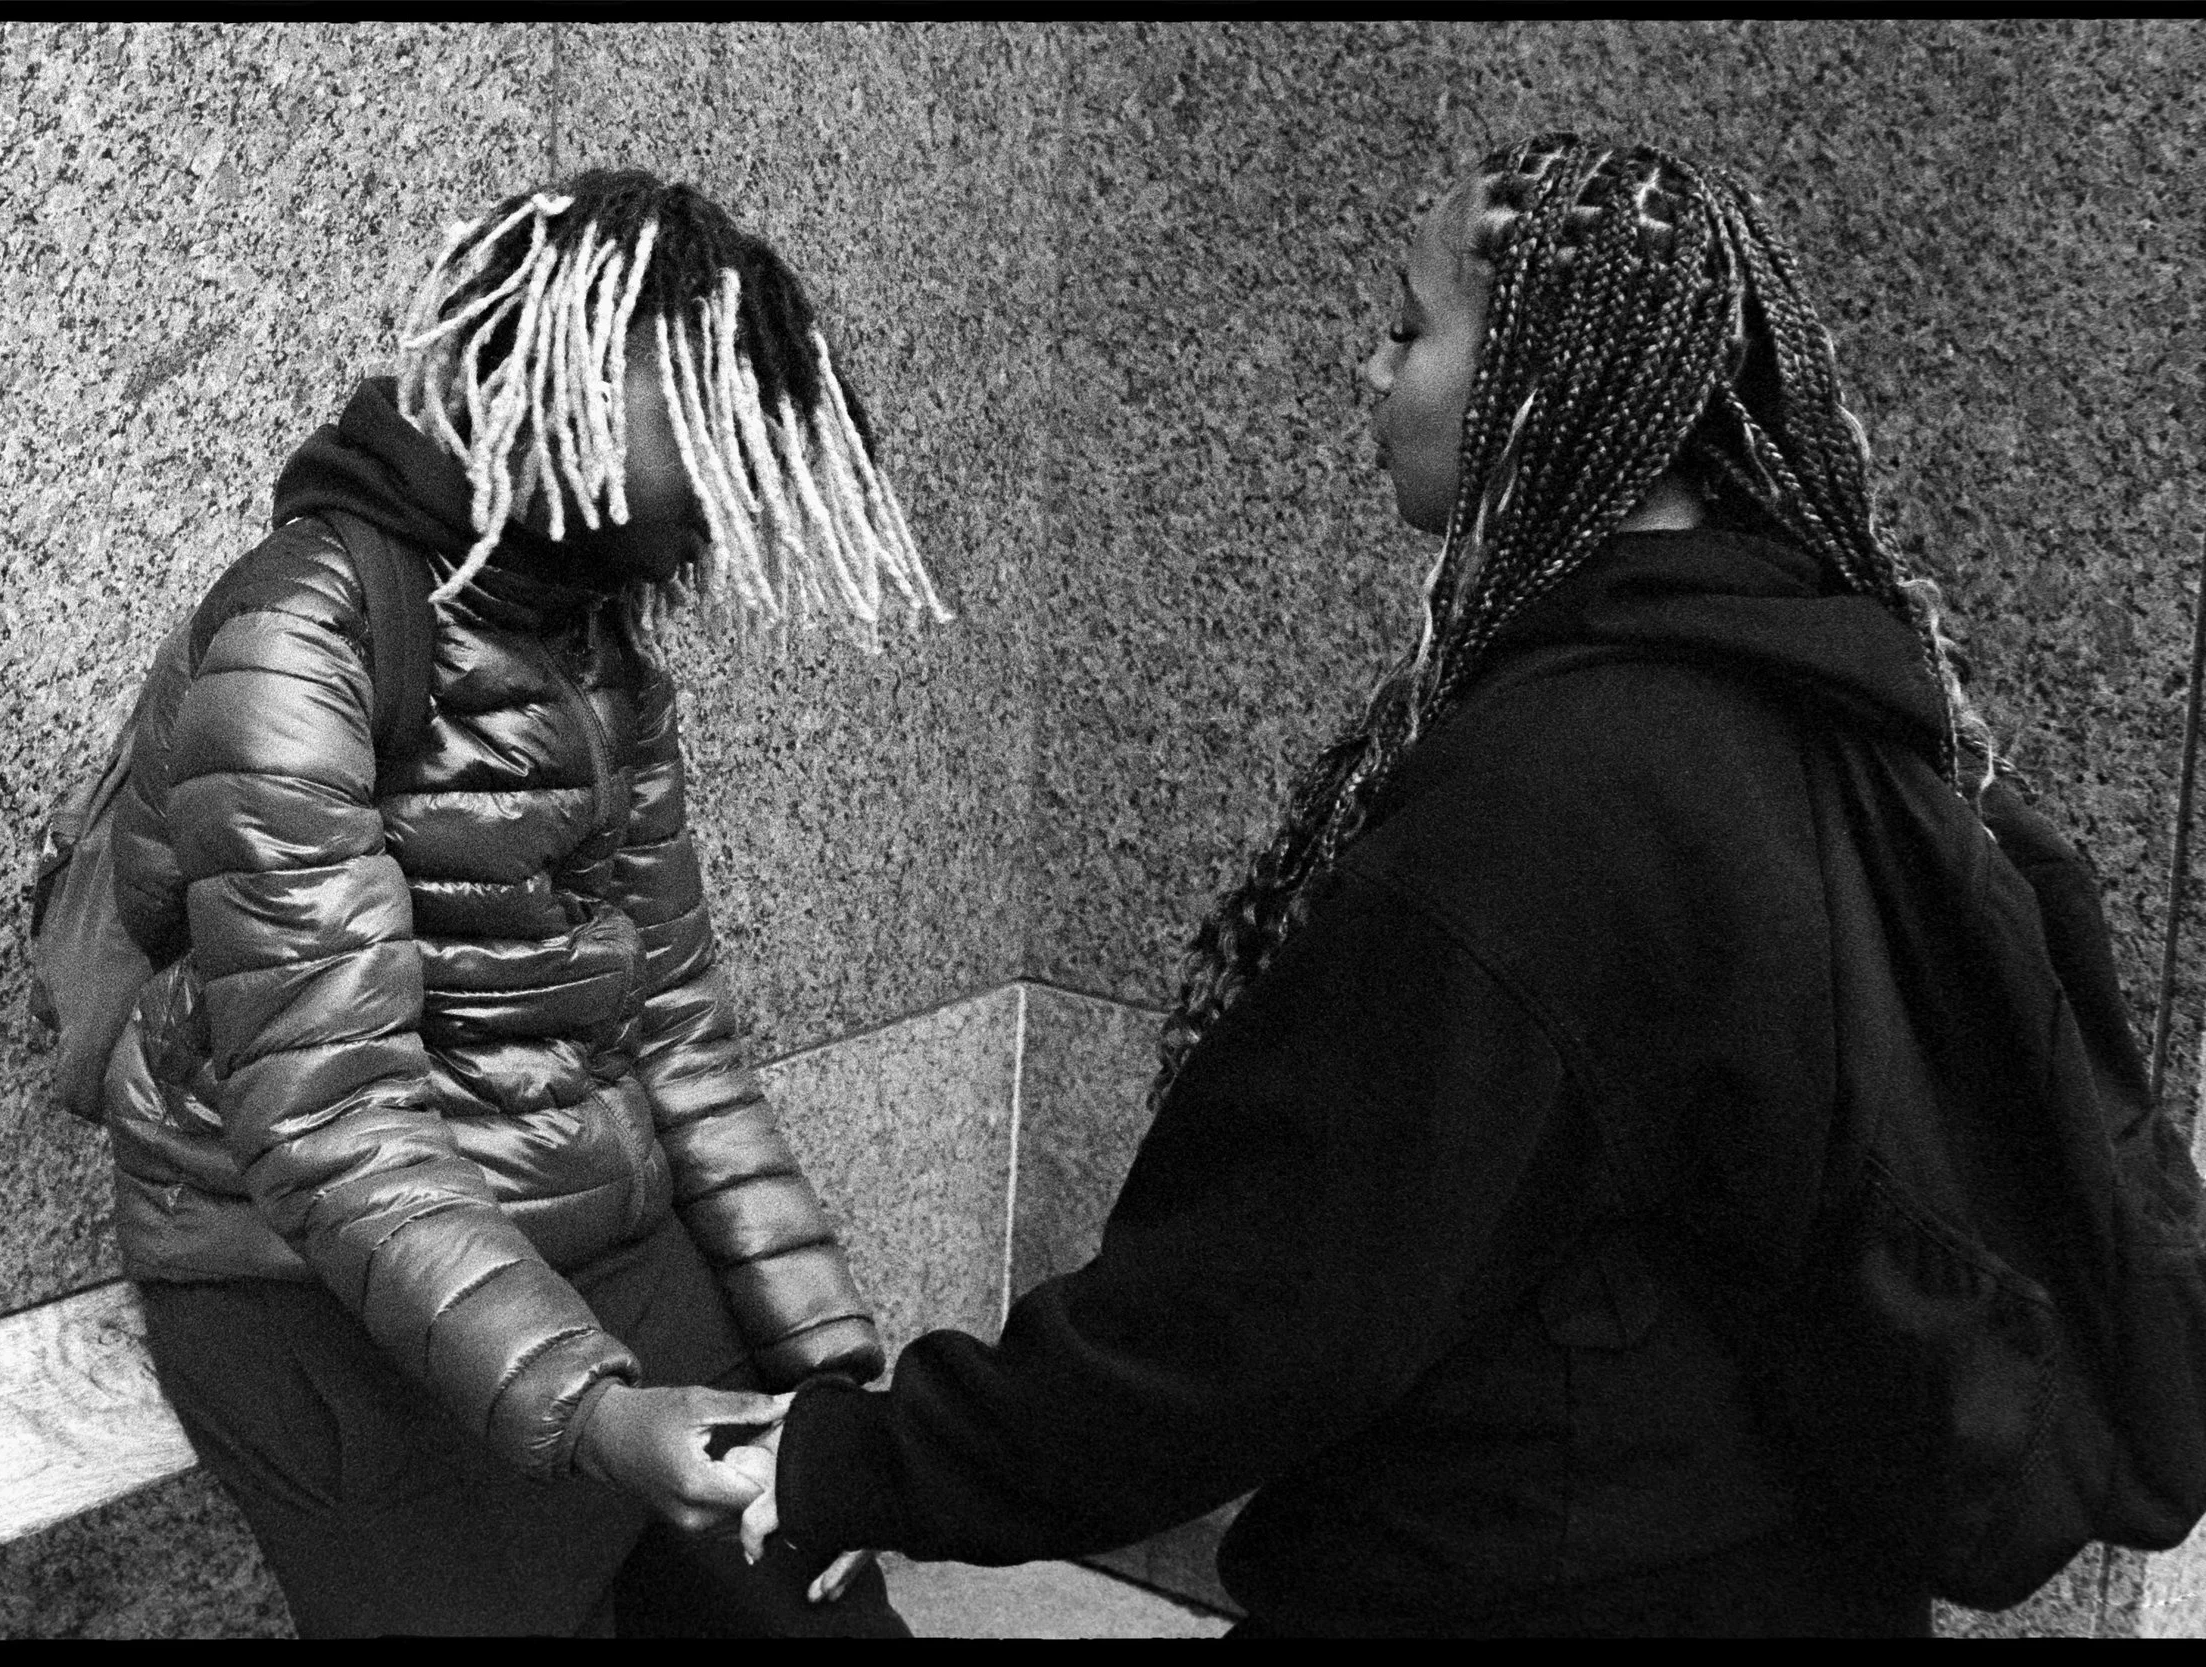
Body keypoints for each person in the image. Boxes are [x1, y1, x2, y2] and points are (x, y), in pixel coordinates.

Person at [737, 132, 2131, 1636]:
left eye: (1409, 327)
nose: (1370, 365)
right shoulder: (1821, 697)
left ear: (1543, 382)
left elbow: (1255, 1308)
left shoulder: (1558, 798)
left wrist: (854, 1465)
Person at [101, 167, 946, 1637]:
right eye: (704, 416)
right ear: (564, 372)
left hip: (595, 1236)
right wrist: (601, 1413)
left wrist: (830, 1371)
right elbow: (327, 1121)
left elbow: (678, 1029)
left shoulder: (598, 648)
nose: (737, 492)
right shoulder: (302, 632)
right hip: (315, 1290)